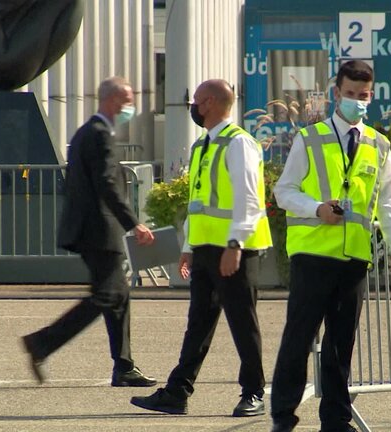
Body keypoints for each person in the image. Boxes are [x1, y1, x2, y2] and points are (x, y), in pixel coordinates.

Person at [270, 60, 391, 432]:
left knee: (340, 346)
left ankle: (336, 420)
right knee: (298, 340)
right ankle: (283, 417)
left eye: (363, 96)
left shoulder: (379, 146)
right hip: (313, 255)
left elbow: (390, 204)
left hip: (353, 259)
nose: (357, 102)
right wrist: (316, 209)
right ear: (336, 94)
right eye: (350, 95)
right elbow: (283, 191)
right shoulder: (310, 137)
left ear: (371, 95)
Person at [130, 79, 272, 417]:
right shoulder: (203, 146)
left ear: (208, 103)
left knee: (242, 321)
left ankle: (254, 392)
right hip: (207, 249)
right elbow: (199, 203)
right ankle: (178, 392)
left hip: (234, 249)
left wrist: (235, 244)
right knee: (198, 323)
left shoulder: (239, 144)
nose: (192, 106)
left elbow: (248, 200)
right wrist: (190, 245)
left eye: (196, 100)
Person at [21, 76, 157, 387]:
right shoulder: (99, 135)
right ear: (111, 101)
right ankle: (42, 342)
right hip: (99, 229)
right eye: (127, 101)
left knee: (119, 296)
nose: (131, 107)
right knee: (107, 295)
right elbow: (106, 184)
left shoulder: (87, 133)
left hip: (92, 228)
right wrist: (133, 223)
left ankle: (124, 367)